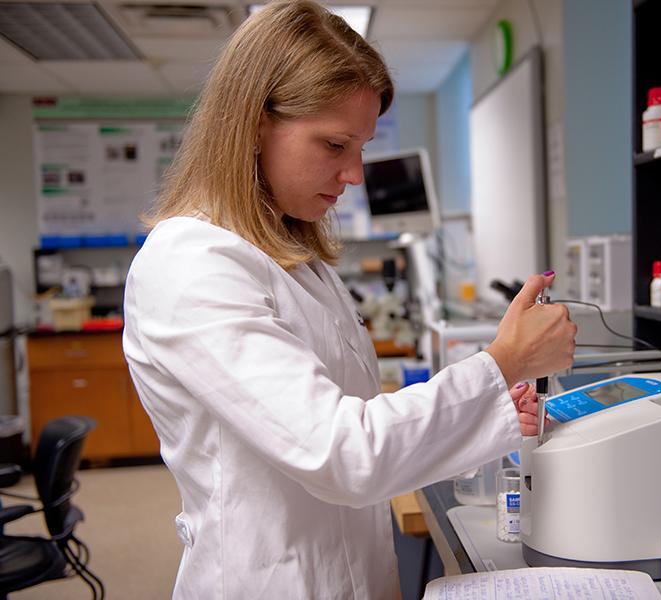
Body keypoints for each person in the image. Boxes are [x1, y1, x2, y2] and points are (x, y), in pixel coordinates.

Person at [122, 1, 576, 598]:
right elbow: (342, 453)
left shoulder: (294, 258)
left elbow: (349, 415)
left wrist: (484, 411)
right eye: (335, 144)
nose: (355, 174)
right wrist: (501, 363)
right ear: (255, 123)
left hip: (349, 569)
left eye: (360, 147)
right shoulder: (191, 262)